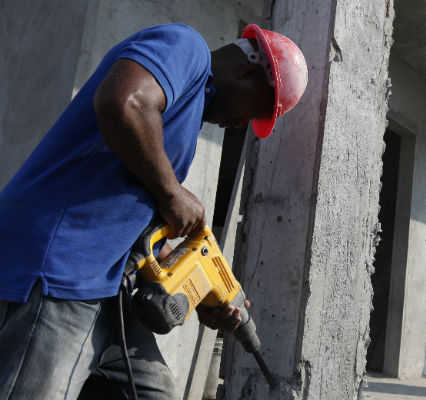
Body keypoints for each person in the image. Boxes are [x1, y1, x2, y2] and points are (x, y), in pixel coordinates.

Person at [0, 22, 307, 399]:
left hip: (109, 289)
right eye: (254, 109)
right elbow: (123, 101)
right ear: (246, 72)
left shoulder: (186, 116)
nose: (241, 123)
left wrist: (195, 289)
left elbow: (139, 223)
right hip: (62, 272)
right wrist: (171, 192)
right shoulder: (186, 47)